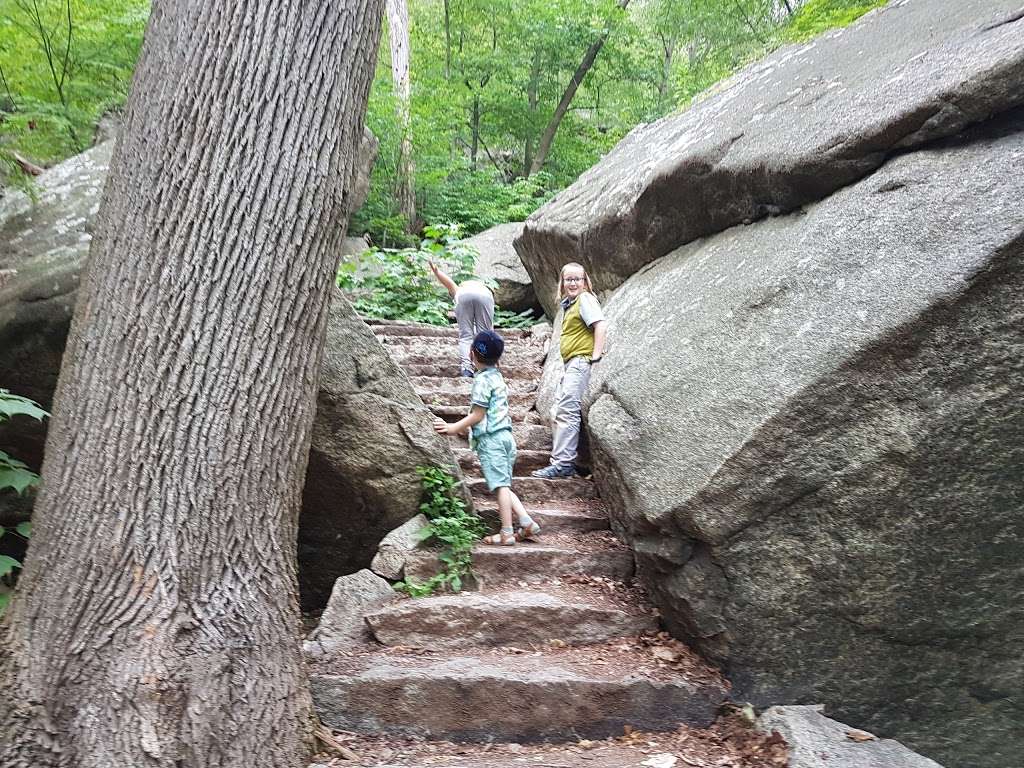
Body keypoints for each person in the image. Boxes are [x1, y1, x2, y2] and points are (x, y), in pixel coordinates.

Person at [434, 330, 541, 546]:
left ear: (472, 353)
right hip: (506, 438)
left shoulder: (482, 381)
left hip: (492, 441)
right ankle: (526, 522)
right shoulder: (497, 377)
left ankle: (507, 532)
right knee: (504, 484)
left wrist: (453, 427)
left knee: (500, 487)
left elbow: (478, 414)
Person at [532, 262, 606, 479]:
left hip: (580, 361)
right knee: (558, 410)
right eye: (569, 279)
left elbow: (600, 325)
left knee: (567, 409)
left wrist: (596, 355)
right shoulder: (569, 304)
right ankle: (562, 461)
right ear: (562, 283)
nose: (573, 283)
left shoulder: (585, 299)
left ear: (585, 282)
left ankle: (563, 464)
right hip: (571, 363)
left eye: (577, 279)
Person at [428, 261, 495, 378]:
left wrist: (437, 272)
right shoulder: (485, 289)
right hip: (485, 294)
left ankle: (467, 369)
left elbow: (449, 283)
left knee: (466, 336)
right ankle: (485, 367)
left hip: (463, 294)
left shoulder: (458, 289)